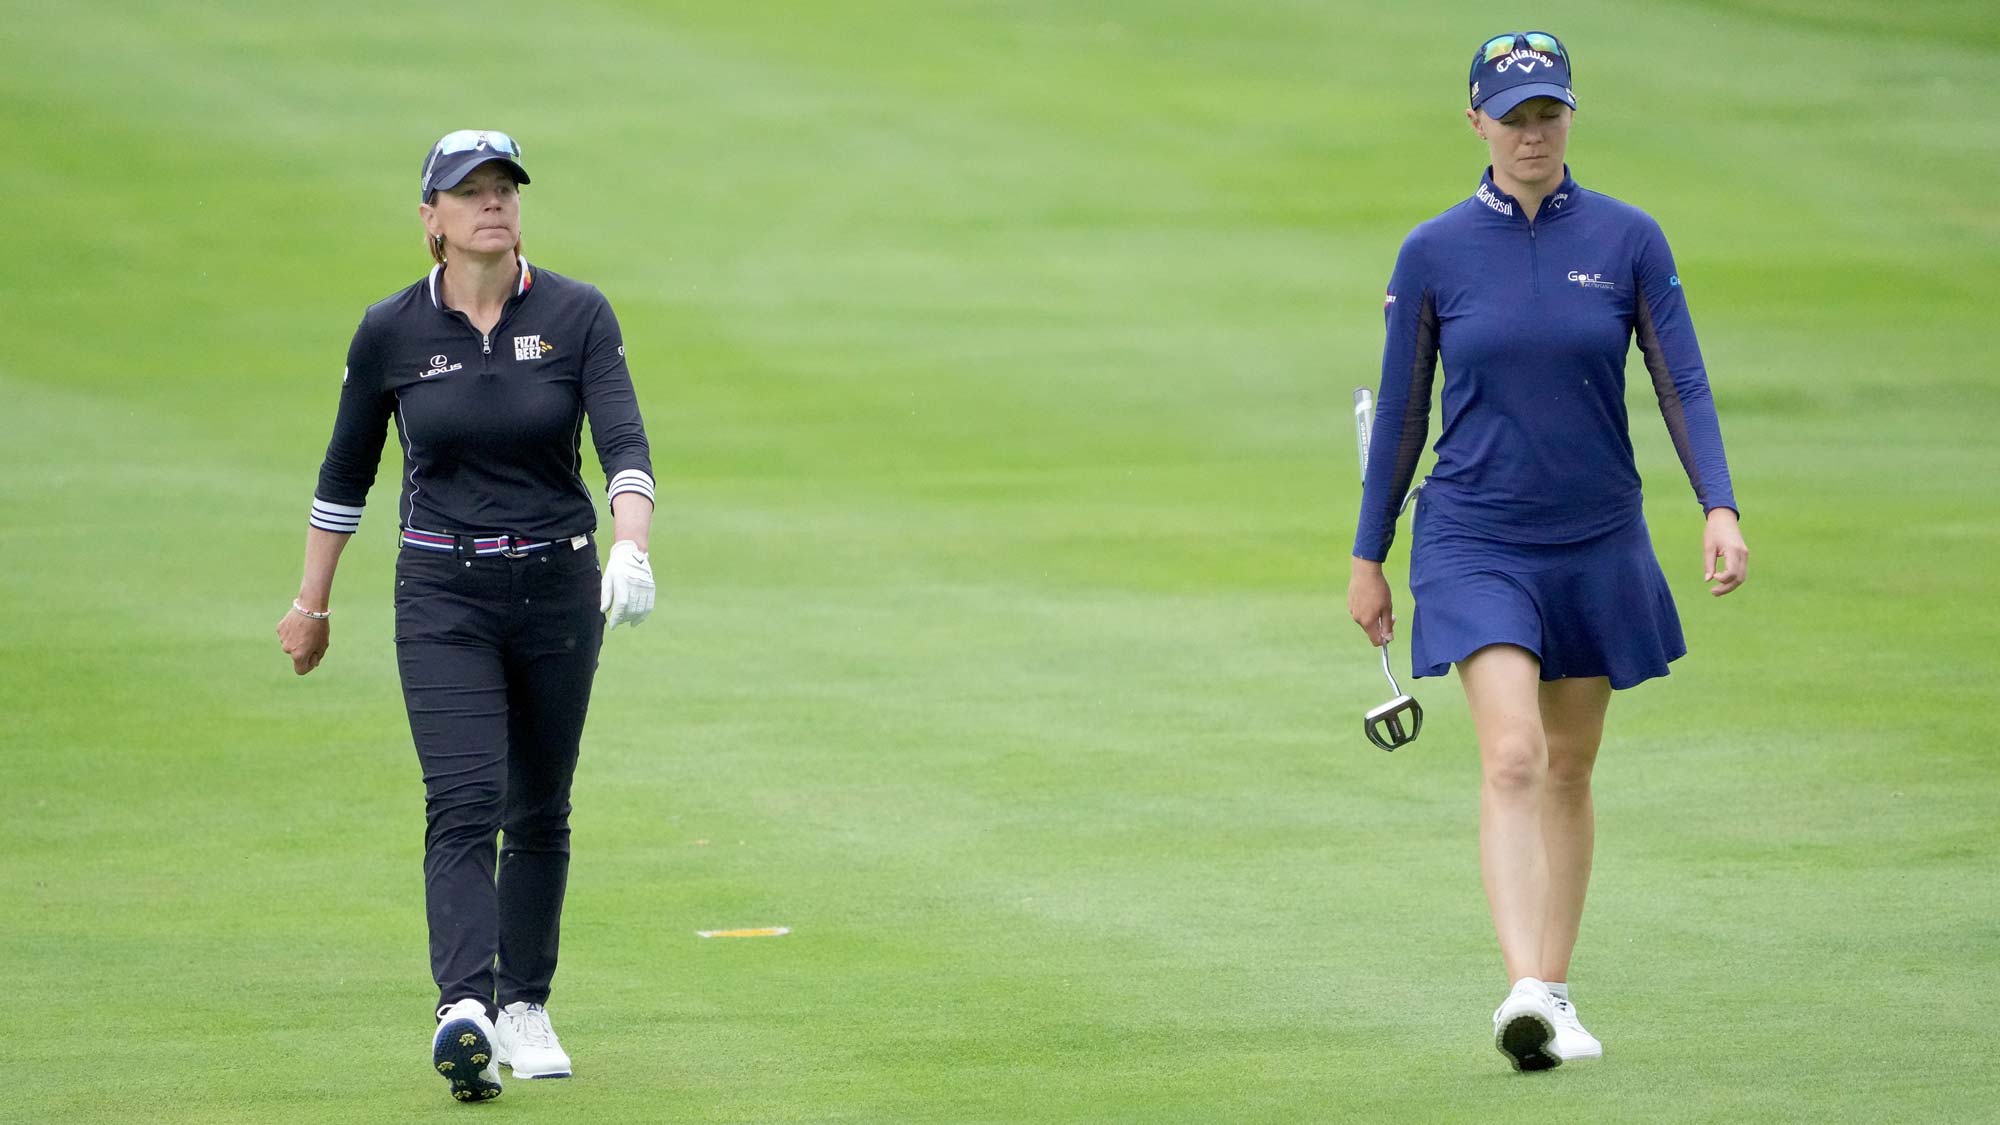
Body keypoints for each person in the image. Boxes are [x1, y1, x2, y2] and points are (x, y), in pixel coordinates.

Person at [1347, 34, 1749, 1072]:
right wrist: (1367, 553)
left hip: (1595, 534)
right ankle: (1521, 989)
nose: (1533, 133)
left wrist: (1717, 505)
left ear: (1567, 118)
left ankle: (1551, 995)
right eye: (1513, 116)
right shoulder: (1431, 252)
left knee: (1568, 766)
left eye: (1547, 114)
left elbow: (1680, 382)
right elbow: (1398, 412)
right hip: (1474, 533)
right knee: (1514, 754)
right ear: (1475, 123)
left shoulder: (1625, 240)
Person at [275, 129, 660, 1103]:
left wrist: (631, 546)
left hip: (557, 584)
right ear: (430, 219)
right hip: (441, 590)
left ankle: (525, 1003)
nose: (492, 203)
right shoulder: (392, 333)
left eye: (504, 189)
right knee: (462, 800)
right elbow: (343, 475)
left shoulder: (576, 315)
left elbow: (621, 441)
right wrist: (309, 604)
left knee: (539, 803)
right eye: (470, 191)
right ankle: (466, 1006)